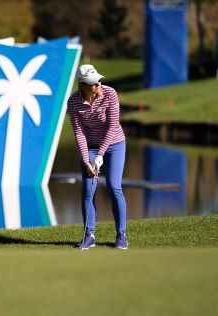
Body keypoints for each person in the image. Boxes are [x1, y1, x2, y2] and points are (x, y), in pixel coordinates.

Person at [67, 64, 128, 250]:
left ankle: (121, 235)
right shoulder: (74, 102)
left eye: (99, 81)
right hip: (91, 146)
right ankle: (89, 235)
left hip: (115, 144)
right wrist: (86, 160)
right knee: (88, 189)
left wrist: (101, 154)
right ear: (83, 85)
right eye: (94, 83)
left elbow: (112, 126)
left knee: (113, 186)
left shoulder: (110, 93)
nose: (99, 85)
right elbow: (79, 132)